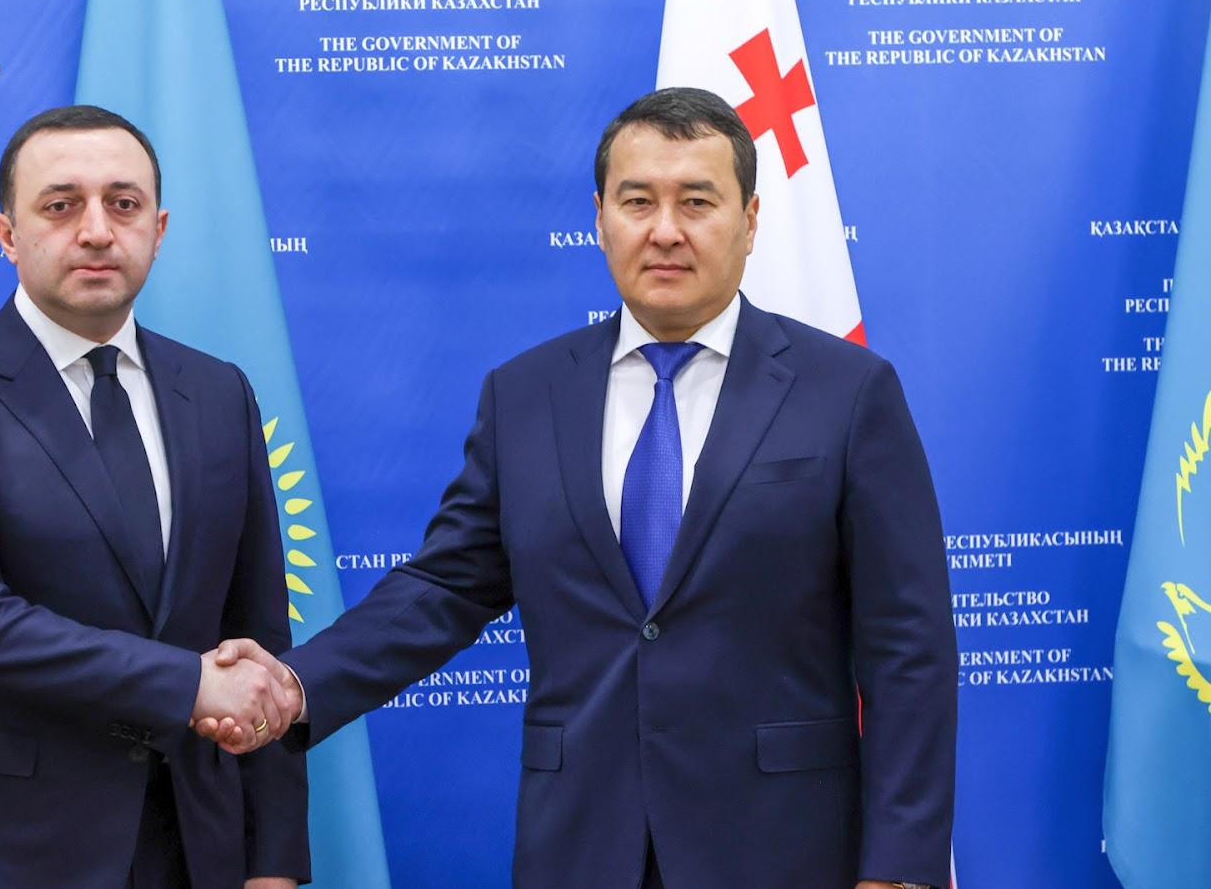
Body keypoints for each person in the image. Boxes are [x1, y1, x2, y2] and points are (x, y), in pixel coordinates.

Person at [208, 87, 955, 889]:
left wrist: (899, 867)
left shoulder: (847, 392)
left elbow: (908, 647)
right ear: (600, 218)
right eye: (638, 201)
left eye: (697, 201)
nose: (665, 230)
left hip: (785, 848)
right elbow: (444, 588)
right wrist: (295, 683)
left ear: (750, 219)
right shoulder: (526, 394)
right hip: (582, 845)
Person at [0, 105, 307, 889]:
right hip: (0, 849)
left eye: (124, 204)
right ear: (6, 234)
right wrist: (189, 684)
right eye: (62, 205)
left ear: (159, 230)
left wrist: (272, 858)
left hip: (195, 845)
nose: (97, 231)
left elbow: (258, 633)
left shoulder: (219, 392)